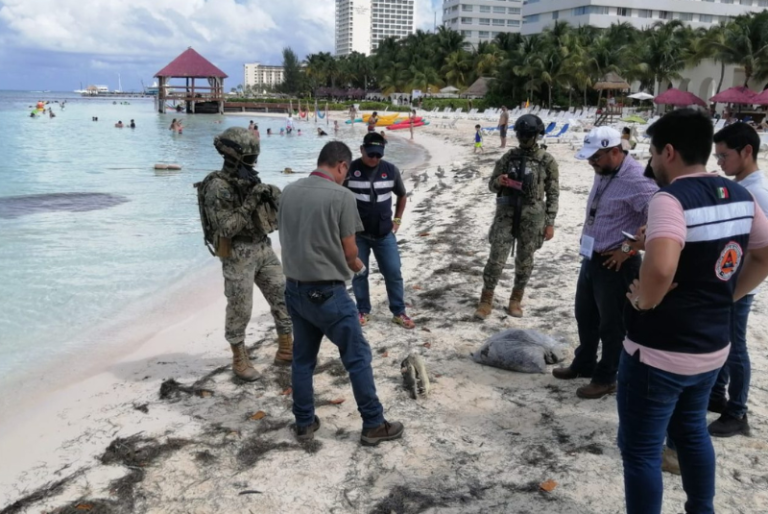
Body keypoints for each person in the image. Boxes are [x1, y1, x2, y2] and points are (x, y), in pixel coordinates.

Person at [618, 108, 768, 514]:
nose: (649, 162)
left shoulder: (669, 199)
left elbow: (663, 265)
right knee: (691, 433)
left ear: (668, 152)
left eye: (651, 153)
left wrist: (643, 300)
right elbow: (764, 254)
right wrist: (727, 295)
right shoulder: (741, 196)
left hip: (659, 350)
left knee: (642, 452)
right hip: (710, 347)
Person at [278, 141, 404, 446]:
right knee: (357, 357)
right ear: (342, 166)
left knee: (303, 360)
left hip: (294, 289)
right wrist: (358, 267)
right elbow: (350, 252)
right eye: (345, 171)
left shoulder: (289, 191)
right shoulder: (342, 196)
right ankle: (373, 423)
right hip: (328, 293)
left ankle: (304, 422)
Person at [552, 127, 658, 399]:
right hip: (592, 256)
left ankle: (606, 377)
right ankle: (584, 362)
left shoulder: (638, 181)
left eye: (596, 157)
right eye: (589, 157)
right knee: (585, 317)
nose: (591, 162)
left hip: (617, 264)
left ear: (615, 151)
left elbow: (657, 224)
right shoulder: (605, 171)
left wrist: (627, 248)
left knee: (612, 326)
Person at [198, 128, 293, 381]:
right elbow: (225, 228)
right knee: (241, 307)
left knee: (283, 295)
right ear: (233, 156)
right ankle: (239, 360)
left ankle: (286, 348)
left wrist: (273, 195)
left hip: (262, 245)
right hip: (237, 252)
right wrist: (252, 200)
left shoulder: (247, 179)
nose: (254, 163)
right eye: (250, 158)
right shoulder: (217, 187)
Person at [706, 123, 768, 437]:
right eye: (717, 156)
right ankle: (717, 395)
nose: (719, 162)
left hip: (739, 285)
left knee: (736, 348)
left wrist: (736, 291)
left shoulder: (756, 192)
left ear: (746, 151)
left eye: (724, 155)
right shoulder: (743, 186)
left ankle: (738, 410)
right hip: (729, 280)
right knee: (723, 342)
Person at [474, 114, 559, 320]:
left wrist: (550, 223)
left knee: (525, 260)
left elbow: (553, 193)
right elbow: (491, 185)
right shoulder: (508, 157)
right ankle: (486, 300)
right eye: (521, 134)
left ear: (537, 135)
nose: (524, 138)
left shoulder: (546, 160)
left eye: (528, 135)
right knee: (496, 258)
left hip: (532, 217)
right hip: (506, 214)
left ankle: (515, 299)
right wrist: (500, 181)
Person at [344, 132, 415, 329]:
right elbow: (336, 197)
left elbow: (402, 195)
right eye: (371, 154)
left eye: (378, 155)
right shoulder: (350, 170)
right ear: (362, 150)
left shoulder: (391, 170)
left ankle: (399, 312)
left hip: (385, 234)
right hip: (358, 235)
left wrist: (397, 220)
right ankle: (362, 310)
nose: (374, 158)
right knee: (359, 274)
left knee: (393, 272)